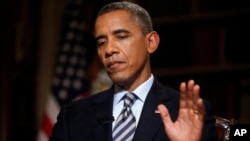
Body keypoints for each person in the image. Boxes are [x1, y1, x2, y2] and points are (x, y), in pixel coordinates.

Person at [49, 1, 218, 141]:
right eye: (102, 42)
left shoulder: (188, 113)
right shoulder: (73, 116)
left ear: (151, 42)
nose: (109, 50)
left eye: (121, 37)